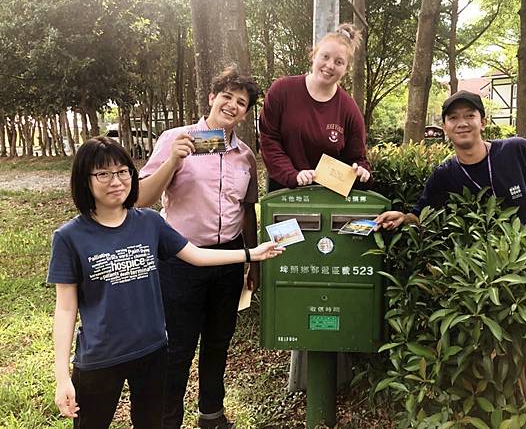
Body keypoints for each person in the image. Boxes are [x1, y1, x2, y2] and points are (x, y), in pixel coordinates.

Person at [49, 137, 281, 429]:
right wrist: (62, 377)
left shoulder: (149, 222)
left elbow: (195, 255)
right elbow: (66, 310)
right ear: (85, 179)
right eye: (103, 174)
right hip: (99, 359)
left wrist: (251, 254)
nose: (116, 181)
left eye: (122, 172)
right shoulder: (69, 237)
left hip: (153, 352)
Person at [136, 66, 260, 429]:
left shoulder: (245, 156)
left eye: (241, 102)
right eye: (227, 96)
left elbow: (247, 209)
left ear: (246, 112)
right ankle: (167, 420)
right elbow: (141, 199)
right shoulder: (176, 139)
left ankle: (212, 414)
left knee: (218, 341)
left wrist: (253, 261)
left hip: (228, 260)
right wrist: (174, 159)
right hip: (180, 260)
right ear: (211, 97)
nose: (232, 105)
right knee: (177, 346)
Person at [375, 90, 526, 230]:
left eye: (470, 115)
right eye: (453, 118)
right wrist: (402, 217)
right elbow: (419, 216)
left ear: (483, 122)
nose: (462, 123)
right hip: (487, 273)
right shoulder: (444, 175)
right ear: (445, 127)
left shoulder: (517, 149)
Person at [259, 23, 372, 191]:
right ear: (313, 55)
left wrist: (361, 171)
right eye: (325, 56)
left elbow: (357, 158)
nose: (330, 65)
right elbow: (269, 139)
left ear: (346, 69)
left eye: (339, 62)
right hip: (284, 193)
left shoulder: (349, 110)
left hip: (327, 199)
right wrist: (292, 175)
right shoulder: (282, 90)